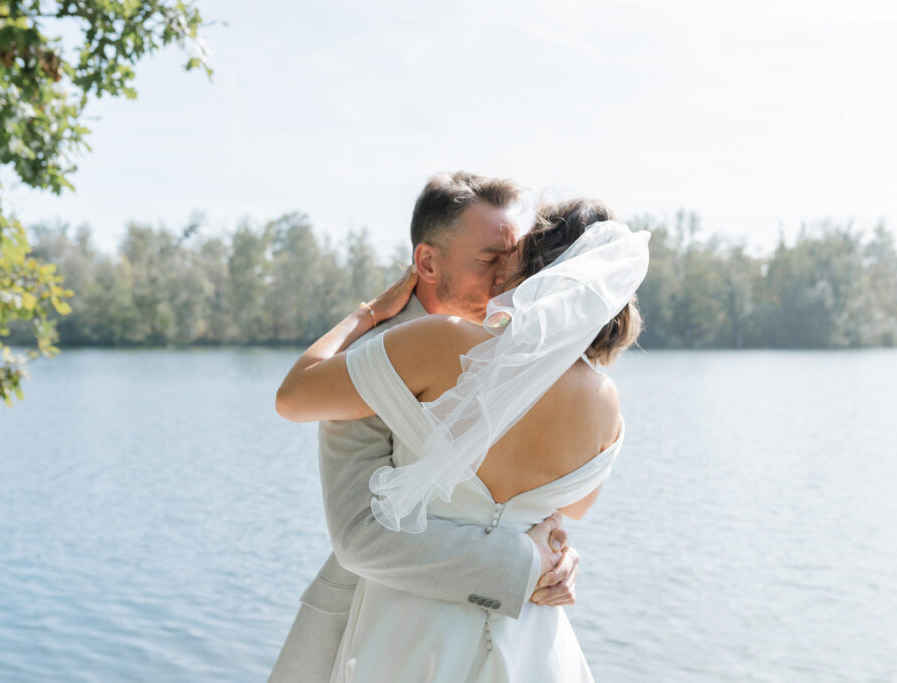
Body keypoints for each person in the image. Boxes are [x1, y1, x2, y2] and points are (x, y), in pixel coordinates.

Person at [276, 196, 648, 681]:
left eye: (508, 256)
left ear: (535, 264)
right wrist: (551, 556)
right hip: (534, 641)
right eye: (490, 257)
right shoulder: (607, 404)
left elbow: (292, 398)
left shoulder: (439, 341)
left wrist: (366, 315)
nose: (499, 272)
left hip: (408, 637)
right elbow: (568, 510)